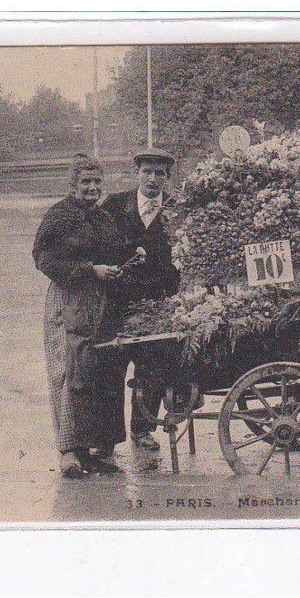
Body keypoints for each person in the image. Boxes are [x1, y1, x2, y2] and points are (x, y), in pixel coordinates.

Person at [33, 153, 139, 478]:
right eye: (85, 182)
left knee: (106, 368)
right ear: (73, 185)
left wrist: (131, 256)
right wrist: (89, 270)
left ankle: (103, 449)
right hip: (70, 300)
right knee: (71, 371)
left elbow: (115, 251)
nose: (92, 188)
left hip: (104, 301)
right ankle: (71, 453)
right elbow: (42, 258)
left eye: (96, 182)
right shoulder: (59, 216)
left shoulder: (103, 217)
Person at [101, 148, 181, 454]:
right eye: (147, 171)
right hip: (117, 301)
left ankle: (143, 429)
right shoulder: (114, 205)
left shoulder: (176, 209)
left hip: (159, 302)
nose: (152, 179)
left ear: (167, 178)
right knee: (112, 367)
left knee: (153, 367)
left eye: (159, 173)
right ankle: (107, 439)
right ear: (136, 173)